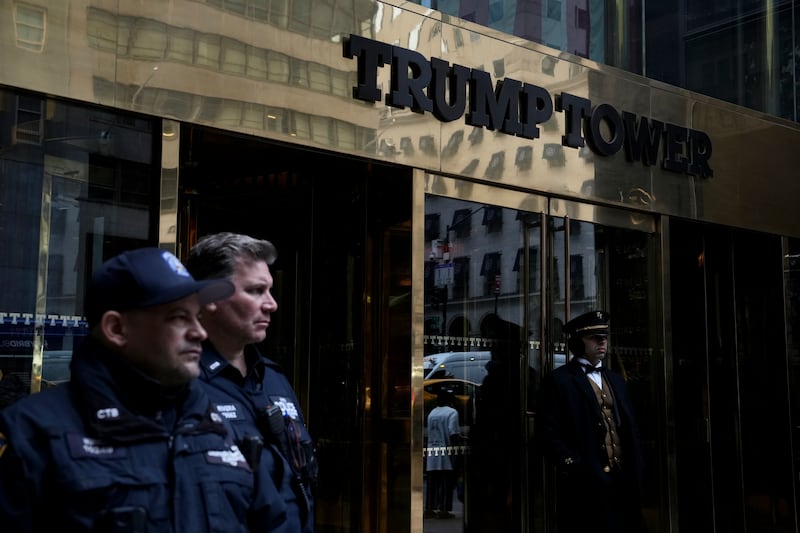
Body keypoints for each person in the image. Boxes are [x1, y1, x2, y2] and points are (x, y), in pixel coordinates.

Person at [0, 247, 290, 532]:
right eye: (178, 317)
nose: (199, 333)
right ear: (117, 329)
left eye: (197, 316)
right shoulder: (33, 434)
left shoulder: (221, 428)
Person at [186, 232, 317, 533]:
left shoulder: (273, 379)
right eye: (256, 291)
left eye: (269, 291)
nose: (271, 304)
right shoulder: (180, 383)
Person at [536, 310, 646, 533]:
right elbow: (547, 432)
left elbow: (629, 426)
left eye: (604, 337)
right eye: (594, 338)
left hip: (622, 478)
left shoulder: (616, 379)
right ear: (578, 342)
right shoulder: (559, 381)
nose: (602, 342)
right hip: (586, 481)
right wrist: (574, 465)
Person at [424, 388, 461, 519]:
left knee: (432, 483)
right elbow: (453, 433)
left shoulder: (432, 413)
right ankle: (443, 509)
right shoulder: (452, 413)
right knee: (446, 482)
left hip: (432, 452)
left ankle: (429, 508)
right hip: (445, 453)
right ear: (449, 400)